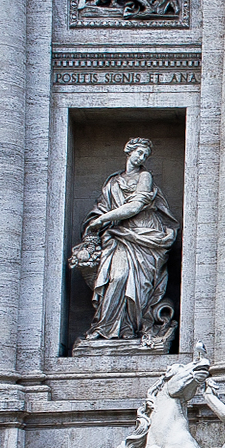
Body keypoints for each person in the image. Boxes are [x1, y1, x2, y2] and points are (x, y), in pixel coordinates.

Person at [78, 137, 178, 341]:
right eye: (139, 152)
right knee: (117, 277)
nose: (142, 158)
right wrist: (96, 222)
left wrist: (102, 220)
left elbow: (135, 206)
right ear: (128, 150)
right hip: (118, 235)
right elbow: (102, 208)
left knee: (139, 285)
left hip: (144, 234)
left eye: (145, 155)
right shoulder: (112, 182)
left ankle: (129, 328)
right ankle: (105, 327)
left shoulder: (145, 177)